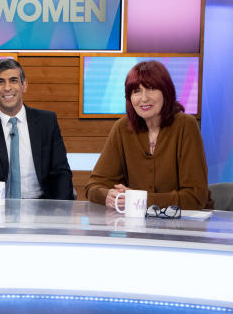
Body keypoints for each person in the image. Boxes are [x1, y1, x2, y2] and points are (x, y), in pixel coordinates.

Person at [85, 61, 211, 210]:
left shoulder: (185, 125)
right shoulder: (122, 128)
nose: (144, 98)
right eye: (136, 91)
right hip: (137, 227)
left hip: (184, 226)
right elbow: (93, 186)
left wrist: (139, 199)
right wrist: (108, 195)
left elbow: (195, 197)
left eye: (151, 89)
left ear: (166, 91)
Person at [0, 58, 74, 202]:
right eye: (0, 82)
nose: (7, 88)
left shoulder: (46, 121)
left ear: (24, 85)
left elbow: (61, 172)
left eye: (14, 80)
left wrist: (60, 210)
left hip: (42, 205)